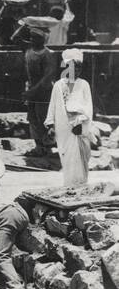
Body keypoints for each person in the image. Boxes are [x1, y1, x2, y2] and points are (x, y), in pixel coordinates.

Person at [48, 49, 93, 186]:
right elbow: (53, 106)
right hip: (63, 128)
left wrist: (80, 123)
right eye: (73, 66)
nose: (76, 69)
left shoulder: (84, 84)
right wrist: (50, 125)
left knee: (81, 158)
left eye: (79, 66)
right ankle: (69, 186)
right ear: (67, 67)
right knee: (67, 159)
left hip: (80, 128)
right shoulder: (58, 85)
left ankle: (80, 185)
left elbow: (88, 106)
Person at [22, 21, 58, 158]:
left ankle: (48, 147)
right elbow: (15, 38)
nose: (33, 39)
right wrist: (24, 24)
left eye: (36, 37)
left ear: (43, 39)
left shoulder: (48, 54)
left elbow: (47, 78)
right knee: (32, 118)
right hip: (32, 90)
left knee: (44, 118)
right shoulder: (29, 51)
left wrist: (32, 91)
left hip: (45, 91)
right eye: (31, 36)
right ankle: (39, 147)